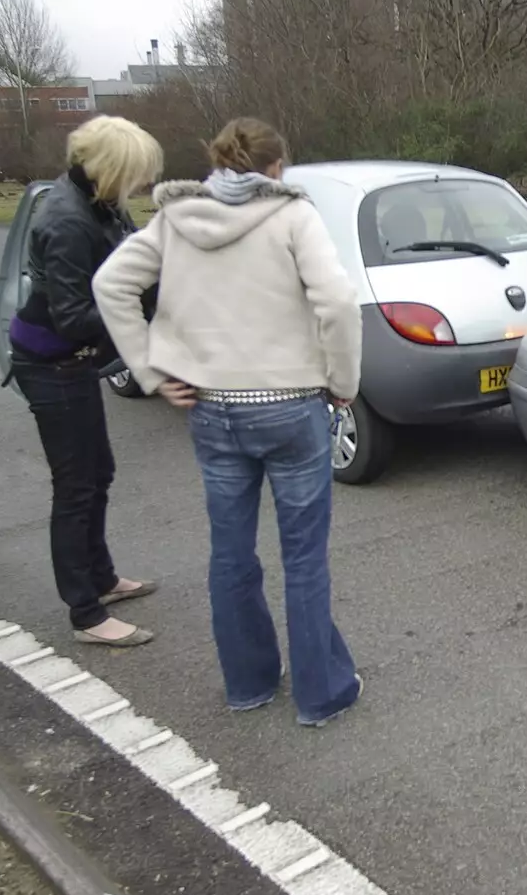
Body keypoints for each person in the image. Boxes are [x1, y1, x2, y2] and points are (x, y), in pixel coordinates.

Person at [93, 117, 364, 726]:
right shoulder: (294, 217)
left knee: (231, 555)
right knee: (304, 559)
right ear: (275, 168)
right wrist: (344, 382)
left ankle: (249, 684)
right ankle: (321, 694)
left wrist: (152, 370)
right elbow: (339, 303)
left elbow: (110, 284)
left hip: (213, 411)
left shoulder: (174, 219)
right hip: (291, 408)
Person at [7, 115, 163, 648]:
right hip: (51, 361)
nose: (140, 185)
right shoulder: (67, 222)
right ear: (111, 168)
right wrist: (138, 310)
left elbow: (134, 256)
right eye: (137, 174)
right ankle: (86, 613)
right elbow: (74, 316)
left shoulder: (101, 201)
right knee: (75, 487)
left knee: (99, 472)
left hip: (72, 360)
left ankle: (102, 578)